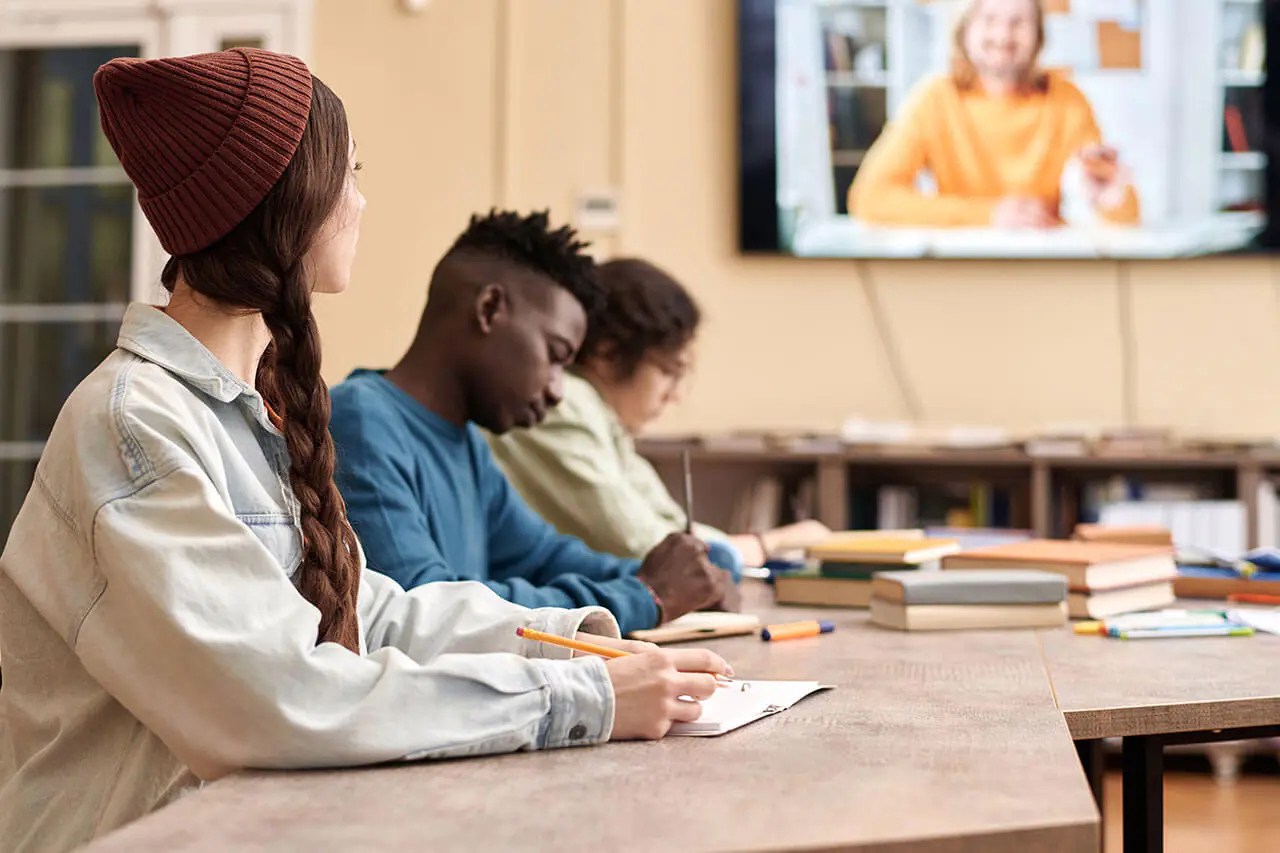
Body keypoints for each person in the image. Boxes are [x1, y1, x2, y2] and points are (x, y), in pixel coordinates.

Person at [0, 49, 729, 852]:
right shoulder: (133, 425)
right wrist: (578, 696)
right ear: (291, 199)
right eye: (350, 171)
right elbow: (275, 700)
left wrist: (576, 637)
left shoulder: (248, 416)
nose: (362, 198)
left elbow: (370, 611)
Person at [328, 211, 736, 637]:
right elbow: (425, 609)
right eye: (556, 356)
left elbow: (545, 557)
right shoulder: (360, 422)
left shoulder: (465, 440)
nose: (559, 390)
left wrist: (690, 577)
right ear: (489, 309)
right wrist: (644, 596)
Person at [488, 257, 829, 568]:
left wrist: (751, 547)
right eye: (669, 371)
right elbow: (645, 546)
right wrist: (767, 543)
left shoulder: (602, 417)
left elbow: (673, 527)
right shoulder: (564, 406)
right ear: (607, 355)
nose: (675, 396)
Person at [847, 0, 1140, 229]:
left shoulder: (1067, 100)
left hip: (1041, 265)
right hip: (960, 269)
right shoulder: (934, 99)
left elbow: (1126, 220)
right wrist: (989, 214)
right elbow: (869, 199)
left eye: (1018, 22)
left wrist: (1113, 200)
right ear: (964, 30)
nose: (1003, 35)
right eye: (989, 20)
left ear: (1038, 34)